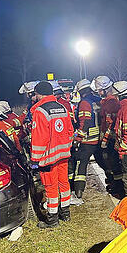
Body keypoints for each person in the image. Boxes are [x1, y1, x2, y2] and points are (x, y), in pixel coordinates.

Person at [29, 81, 75, 228]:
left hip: (48, 158)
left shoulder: (40, 111)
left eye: (35, 94)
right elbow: (69, 131)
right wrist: (66, 148)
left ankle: (52, 220)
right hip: (63, 155)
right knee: (64, 183)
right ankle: (65, 213)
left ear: (38, 94)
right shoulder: (62, 107)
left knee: (51, 187)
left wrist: (35, 159)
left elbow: (39, 138)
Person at [66, 79, 101, 205]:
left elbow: (85, 121)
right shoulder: (97, 100)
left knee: (80, 165)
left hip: (87, 140)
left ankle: (78, 193)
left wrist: (78, 138)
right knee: (104, 162)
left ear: (80, 91)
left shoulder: (85, 103)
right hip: (98, 138)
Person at [93, 75, 125, 197]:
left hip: (111, 138)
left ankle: (119, 187)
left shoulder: (111, 103)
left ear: (106, 89)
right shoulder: (105, 102)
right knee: (107, 161)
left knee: (113, 163)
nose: (99, 92)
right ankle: (113, 182)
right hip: (107, 137)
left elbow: (111, 123)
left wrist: (105, 139)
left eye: (100, 90)